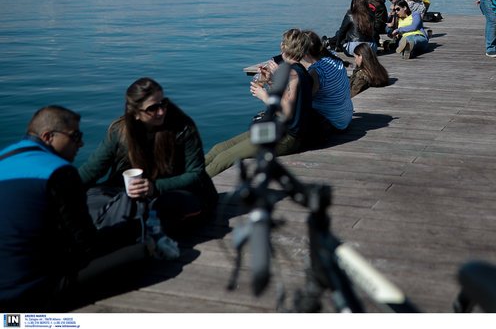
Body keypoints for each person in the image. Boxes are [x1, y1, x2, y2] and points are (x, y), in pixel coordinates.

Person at [0, 107, 143, 311]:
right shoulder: (59, 172)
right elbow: (87, 244)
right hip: (29, 293)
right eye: (75, 136)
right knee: (137, 248)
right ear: (48, 136)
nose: (81, 143)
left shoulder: (3, 158)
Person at [80, 78, 218, 237]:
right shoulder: (120, 131)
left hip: (180, 191)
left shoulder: (182, 128)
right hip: (134, 193)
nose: (161, 111)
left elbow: (196, 174)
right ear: (135, 113)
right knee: (89, 198)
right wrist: (62, 188)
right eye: (152, 108)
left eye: (163, 103)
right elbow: (93, 169)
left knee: (162, 207)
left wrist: (154, 187)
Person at [205, 29, 314, 178]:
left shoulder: (294, 74)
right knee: (219, 148)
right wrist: (271, 81)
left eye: (283, 43)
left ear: (285, 47)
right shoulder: (294, 71)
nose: (280, 45)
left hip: (287, 138)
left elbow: (286, 112)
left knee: (225, 157)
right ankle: (188, 176)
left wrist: (264, 95)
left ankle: (194, 186)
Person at [303, 30, 354, 136]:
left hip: (332, 123)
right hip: (345, 117)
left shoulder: (316, 71)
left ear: (304, 52)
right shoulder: (334, 58)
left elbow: (305, 100)